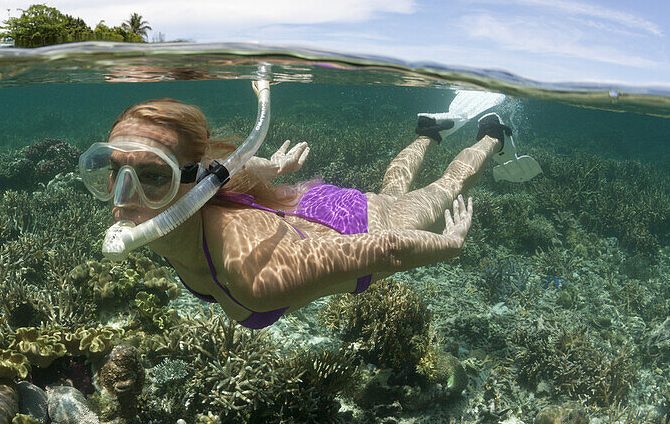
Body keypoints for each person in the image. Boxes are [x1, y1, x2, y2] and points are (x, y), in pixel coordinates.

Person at [79, 97, 520, 329]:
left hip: (357, 229)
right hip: (311, 212)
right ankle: (427, 133)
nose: (123, 198)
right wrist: (272, 167)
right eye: (113, 170)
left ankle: (492, 135)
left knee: (445, 189)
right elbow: (226, 171)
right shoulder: (175, 208)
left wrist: (450, 245)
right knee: (392, 190)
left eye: (154, 176)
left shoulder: (252, 277)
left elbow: (388, 250)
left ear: (190, 181)